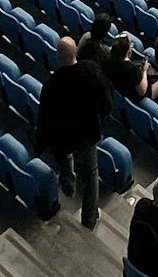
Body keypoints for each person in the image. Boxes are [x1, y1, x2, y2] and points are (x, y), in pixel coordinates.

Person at [37, 35, 111, 222]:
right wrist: (101, 120)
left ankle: (68, 184)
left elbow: (44, 119)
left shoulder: (50, 86)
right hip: (87, 135)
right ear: (76, 51)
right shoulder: (92, 71)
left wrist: (42, 145)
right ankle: (89, 217)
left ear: (58, 57)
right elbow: (106, 101)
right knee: (91, 174)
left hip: (62, 139)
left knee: (64, 160)